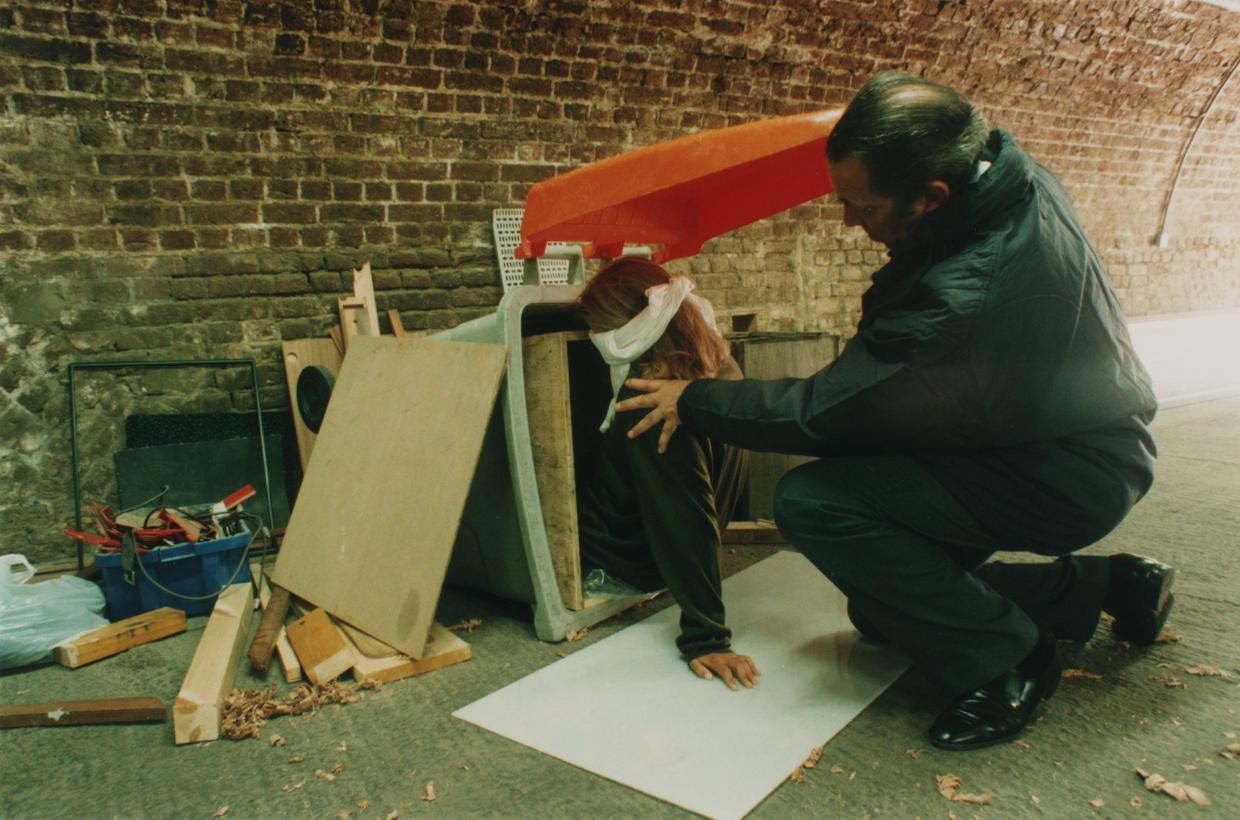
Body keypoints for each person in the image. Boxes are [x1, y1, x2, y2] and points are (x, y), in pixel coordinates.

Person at [614, 71, 1174, 750]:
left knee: (816, 503)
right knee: (883, 612)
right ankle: (1110, 585)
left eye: (864, 206)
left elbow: (826, 411)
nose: (850, 221)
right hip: (1069, 429)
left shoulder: (962, 297)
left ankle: (1011, 660)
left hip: (1063, 467)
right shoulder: (1012, 179)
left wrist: (697, 399)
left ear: (932, 196)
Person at [575, 257, 759, 691]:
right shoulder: (723, 369)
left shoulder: (651, 400)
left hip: (625, 558)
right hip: (656, 555)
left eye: (600, 329)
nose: (596, 341)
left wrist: (707, 636)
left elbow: (684, 512)